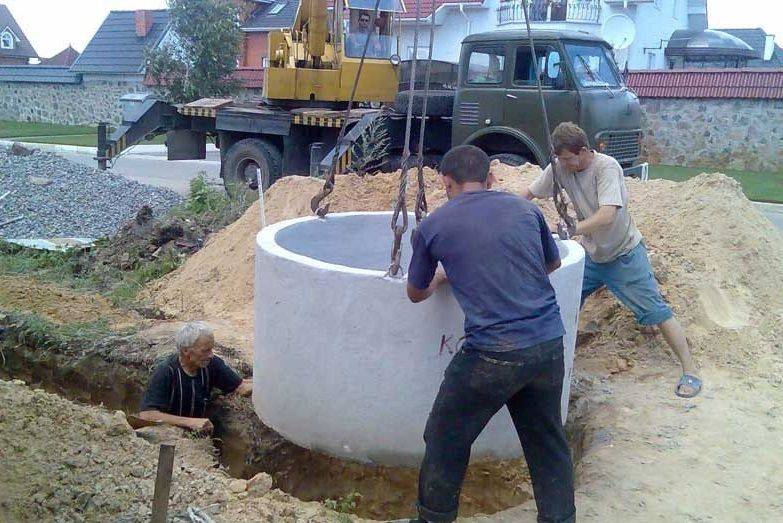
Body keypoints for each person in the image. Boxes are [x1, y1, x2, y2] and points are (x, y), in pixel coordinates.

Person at [401, 145, 576, 523]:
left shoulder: (435, 224)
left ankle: (433, 518)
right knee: (547, 442)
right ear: (491, 179)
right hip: (547, 344)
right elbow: (552, 262)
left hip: (492, 353)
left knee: (445, 437)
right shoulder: (526, 209)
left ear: (446, 183)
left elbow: (415, 293)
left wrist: (444, 278)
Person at [521, 122, 702, 398]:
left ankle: (690, 370)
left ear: (583, 151)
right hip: (592, 256)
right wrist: (507, 211)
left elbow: (608, 214)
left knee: (656, 311)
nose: (564, 165)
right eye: (560, 160)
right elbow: (530, 193)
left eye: (568, 159)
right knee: (562, 303)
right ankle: (557, 360)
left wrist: (572, 229)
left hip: (624, 254)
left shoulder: (607, 168)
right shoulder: (560, 166)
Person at [138, 321, 252, 433]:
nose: (211, 355)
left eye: (211, 349)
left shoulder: (211, 364)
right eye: (205, 350)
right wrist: (190, 422)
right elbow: (147, 415)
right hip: (169, 435)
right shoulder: (166, 372)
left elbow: (242, 387)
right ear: (186, 350)